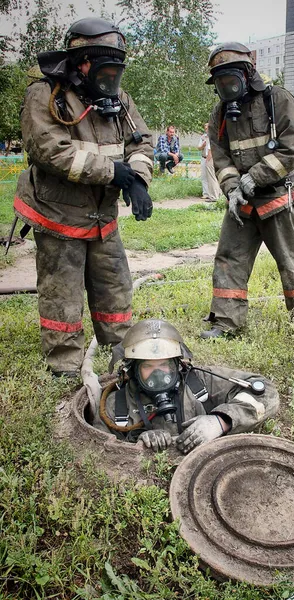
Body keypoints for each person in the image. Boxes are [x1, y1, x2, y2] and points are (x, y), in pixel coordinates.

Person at [13, 17, 154, 377]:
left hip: (102, 215)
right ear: (82, 63)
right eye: (104, 69)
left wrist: (137, 179)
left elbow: (141, 141)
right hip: (58, 213)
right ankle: (65, 364)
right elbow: (52, 151)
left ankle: (120, 349)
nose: (111, 79)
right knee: (62, 293)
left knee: (115, 285)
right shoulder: (46, 95)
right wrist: (113, 172)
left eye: (116, 70)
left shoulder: (119, 99)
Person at [200, 42, 294, 339]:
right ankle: (226, 323)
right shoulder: (220, 114)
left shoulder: (277, 100)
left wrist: (256, 176)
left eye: (231, 80)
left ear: (247, 74)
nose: (226, 88)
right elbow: (222, 157)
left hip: (276, 198)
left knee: (290, 261)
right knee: (229, 259)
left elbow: (293, 149)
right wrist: (232, 188)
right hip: (241, 203)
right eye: (220, 82)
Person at [92, 319, 280, 453]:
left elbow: (266, 392)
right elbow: (98, 450)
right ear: (132, 371)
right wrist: (138, 444)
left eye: (165, 365)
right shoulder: (115, 405)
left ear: (178, 365)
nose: (158, 374)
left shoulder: (200, 382)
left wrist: (219, 422)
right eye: (148, 366)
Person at [198, 123, 221, 202]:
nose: (206, 129)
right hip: (214, 157)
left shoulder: (211, 136)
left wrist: (208, 158)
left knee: (212, 177)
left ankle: (214, 196)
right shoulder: (211, 135)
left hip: (210, 158)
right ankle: (214, 195)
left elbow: (210, 149)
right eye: (205, 128)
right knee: (212, 177)